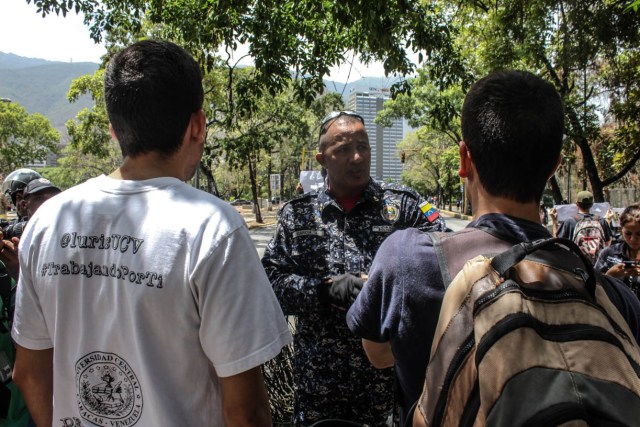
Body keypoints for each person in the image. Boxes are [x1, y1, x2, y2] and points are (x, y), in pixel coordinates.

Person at [11, 40, 292, 427]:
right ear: (197, 126)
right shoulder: (212, 228)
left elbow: (28, 372)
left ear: (113, 129)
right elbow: (245, 410)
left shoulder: (49, 221)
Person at [345, 70, 640, 425]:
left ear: (464, 159)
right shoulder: (611, 295)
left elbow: (376, 354)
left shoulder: (407, 260)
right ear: (554, 167)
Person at [262, 110, 446, 426]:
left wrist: (389, 288)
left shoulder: (403, 206)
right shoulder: (298, 215)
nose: (357, 157)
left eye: (363, 146)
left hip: (386, 395)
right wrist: (325, 290)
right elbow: (268, 285)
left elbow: (446, 258)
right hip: (319, 394)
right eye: (344, 149)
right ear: (322, 159)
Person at [595, 203, 640, 299]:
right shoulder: (608, 254)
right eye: (628, 233)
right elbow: (594, 287)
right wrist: (610, 275)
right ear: (621, 229)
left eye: (639, 234)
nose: (633, 239)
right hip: (615, 311)